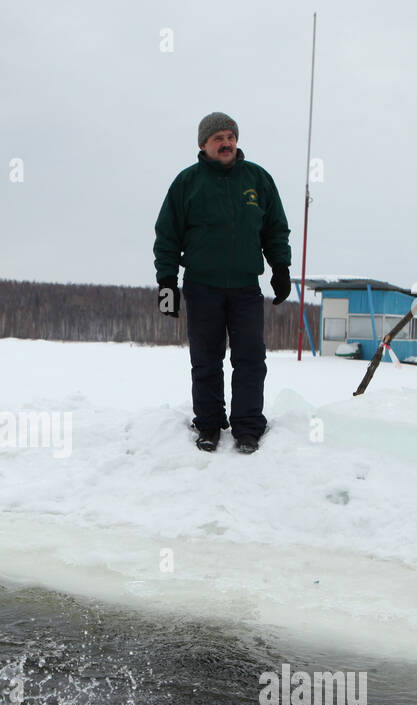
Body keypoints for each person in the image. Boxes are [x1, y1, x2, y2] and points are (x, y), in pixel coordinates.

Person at [154, 111, 292, 454]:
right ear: (204, 144)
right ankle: (210, 424)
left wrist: (281, 269)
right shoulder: (188, 183)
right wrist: (167, 282)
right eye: (219, 138)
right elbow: (167, 235)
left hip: (246, 287)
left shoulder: (257, 180)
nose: (227, 142)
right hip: (202, 287)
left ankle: (248, 427)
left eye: (230, 136)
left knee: (250, 359)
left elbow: (275, 228)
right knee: (206, 359)